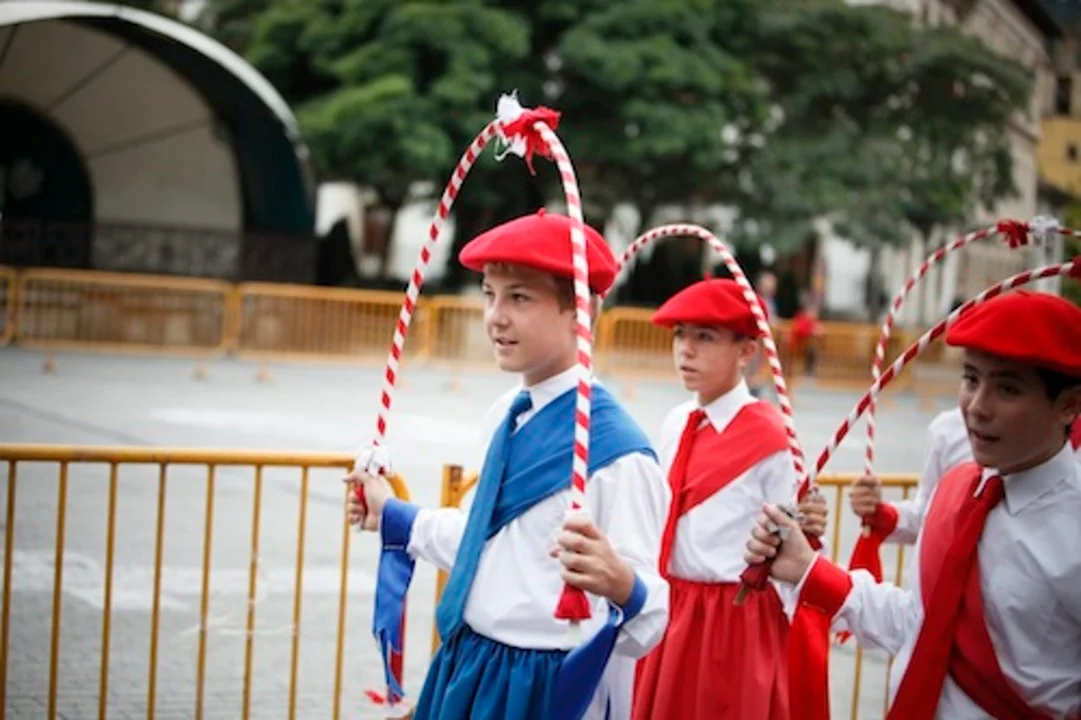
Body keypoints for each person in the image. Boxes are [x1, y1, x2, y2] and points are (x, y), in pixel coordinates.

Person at [346, 209, 669, 720]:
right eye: (489, 295)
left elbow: (650, 618)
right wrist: (391, 514)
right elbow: (485, 545)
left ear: (583, 310)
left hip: (546, 686)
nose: (495, 317)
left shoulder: (619, 454)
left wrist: (621, 584)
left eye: (519, 298)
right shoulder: (506, 414)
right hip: (471, 663)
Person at [745, 289, 1081, 719]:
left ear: (1068, 405)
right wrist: (806, 568)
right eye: (971, 379)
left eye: (1008, 389)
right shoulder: (957, 489)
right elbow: (919, 625)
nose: (977, 407)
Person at [632, 278, 829, 720]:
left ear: (746, 351)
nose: (686, 350)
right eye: (680, 335)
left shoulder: (772, 438)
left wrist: (808, 527)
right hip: (673, 610)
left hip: (733, 620)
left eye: (705, 337)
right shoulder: (677, 421)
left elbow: (799, 549)